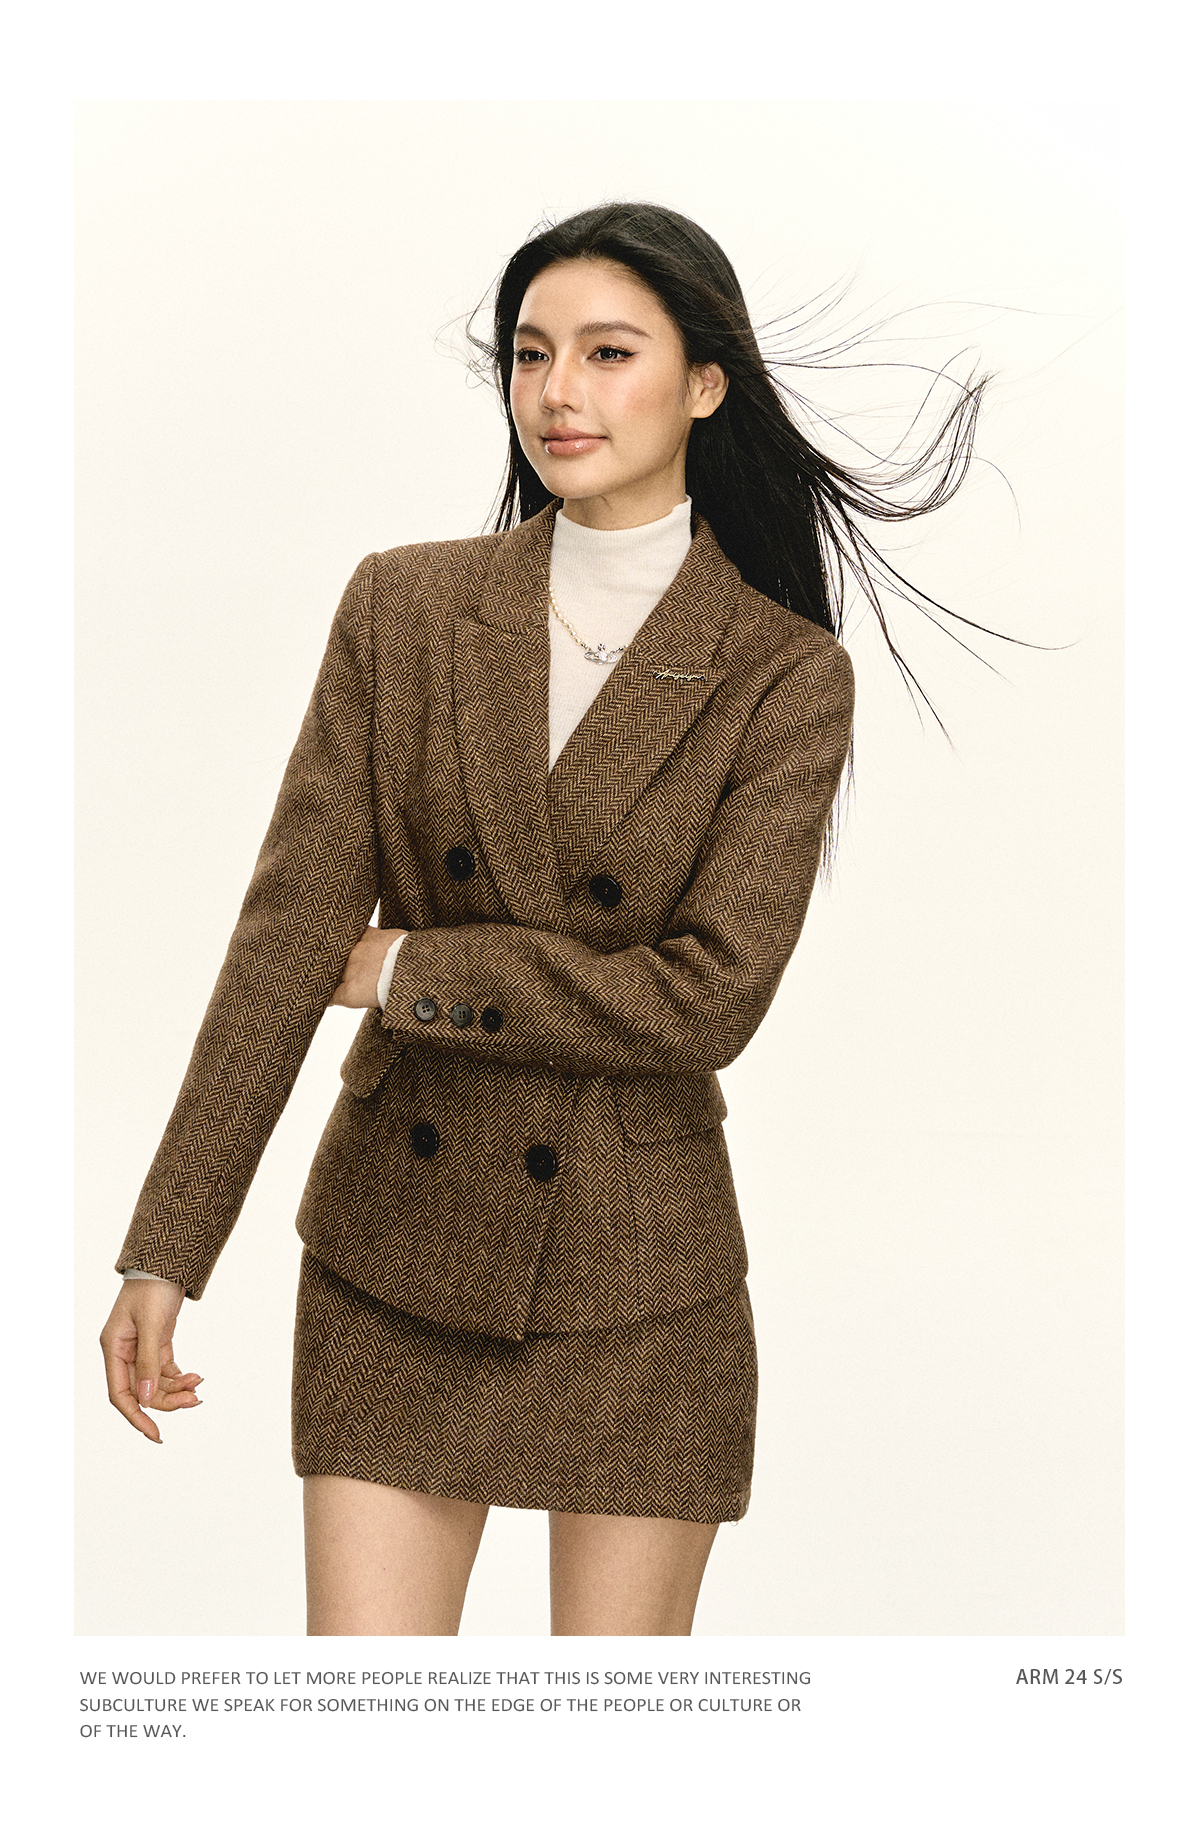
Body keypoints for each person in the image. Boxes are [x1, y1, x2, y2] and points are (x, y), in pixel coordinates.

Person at [99, 202, 984, 1637]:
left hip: (640, 1279)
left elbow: (705, 1000)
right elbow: (282, 942)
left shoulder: (781, 673)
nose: (557, 391)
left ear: (706, 384)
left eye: (608, 352)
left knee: (605, 1740)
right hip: (395, 1254)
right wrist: (166, 1247)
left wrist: (415, 969)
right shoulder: (405, 606)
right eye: (529, 354)